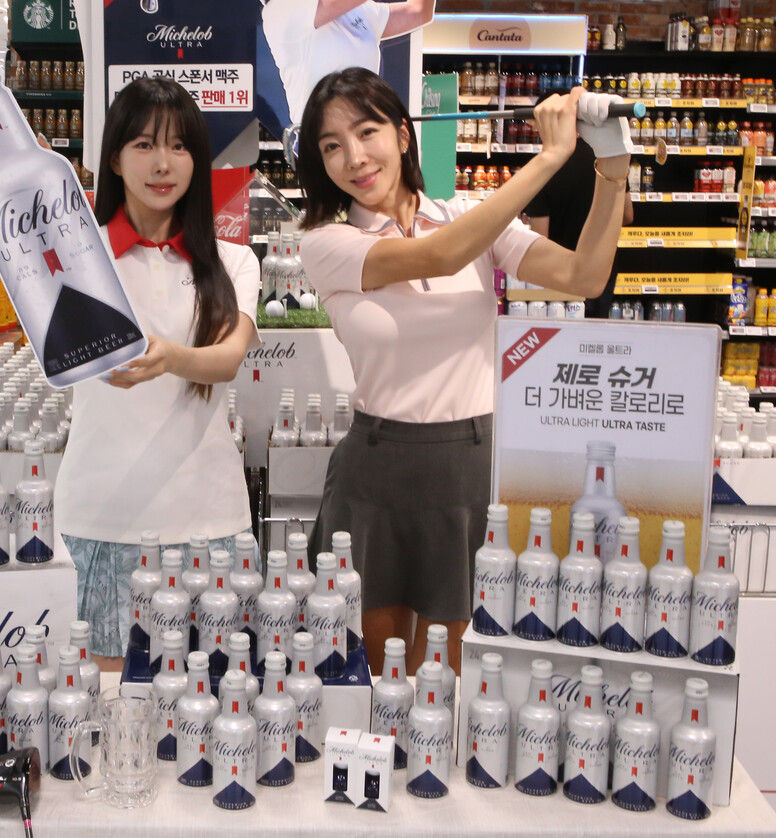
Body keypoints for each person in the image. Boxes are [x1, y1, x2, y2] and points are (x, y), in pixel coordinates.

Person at [295, 67, 630, 675]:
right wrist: (550, 157)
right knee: (367, 676)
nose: (354, 158)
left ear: (402, 135)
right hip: (375, 471)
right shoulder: (327, 243)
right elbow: (441, 254)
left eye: (367, 133)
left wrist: (611, 165)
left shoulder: (468, 215)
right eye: (332, 146)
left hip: (469, 469)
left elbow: (584, 276)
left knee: (450, 676)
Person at [52, 77, 261, 661]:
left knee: (218, 694)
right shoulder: (75, 257)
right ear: (115, 158)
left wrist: (170, 357)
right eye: (144, 144)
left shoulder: (234, 261)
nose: (162, 163)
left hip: (210, 517)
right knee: (102, 699)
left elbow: (228, 358)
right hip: (100, 515)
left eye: (179, 145)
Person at [262, 0, 434, 127]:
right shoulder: (279, 8)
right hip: (322, 142)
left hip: (366, 131)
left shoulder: (357, 9)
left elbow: (419, 12)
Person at [524, 137, 634, 318]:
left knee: (561, 331)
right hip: (601, 268)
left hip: (561, 272)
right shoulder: (606, 160)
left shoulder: (543, 167)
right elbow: (627, 214)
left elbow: (540, 236)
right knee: (595, 330)